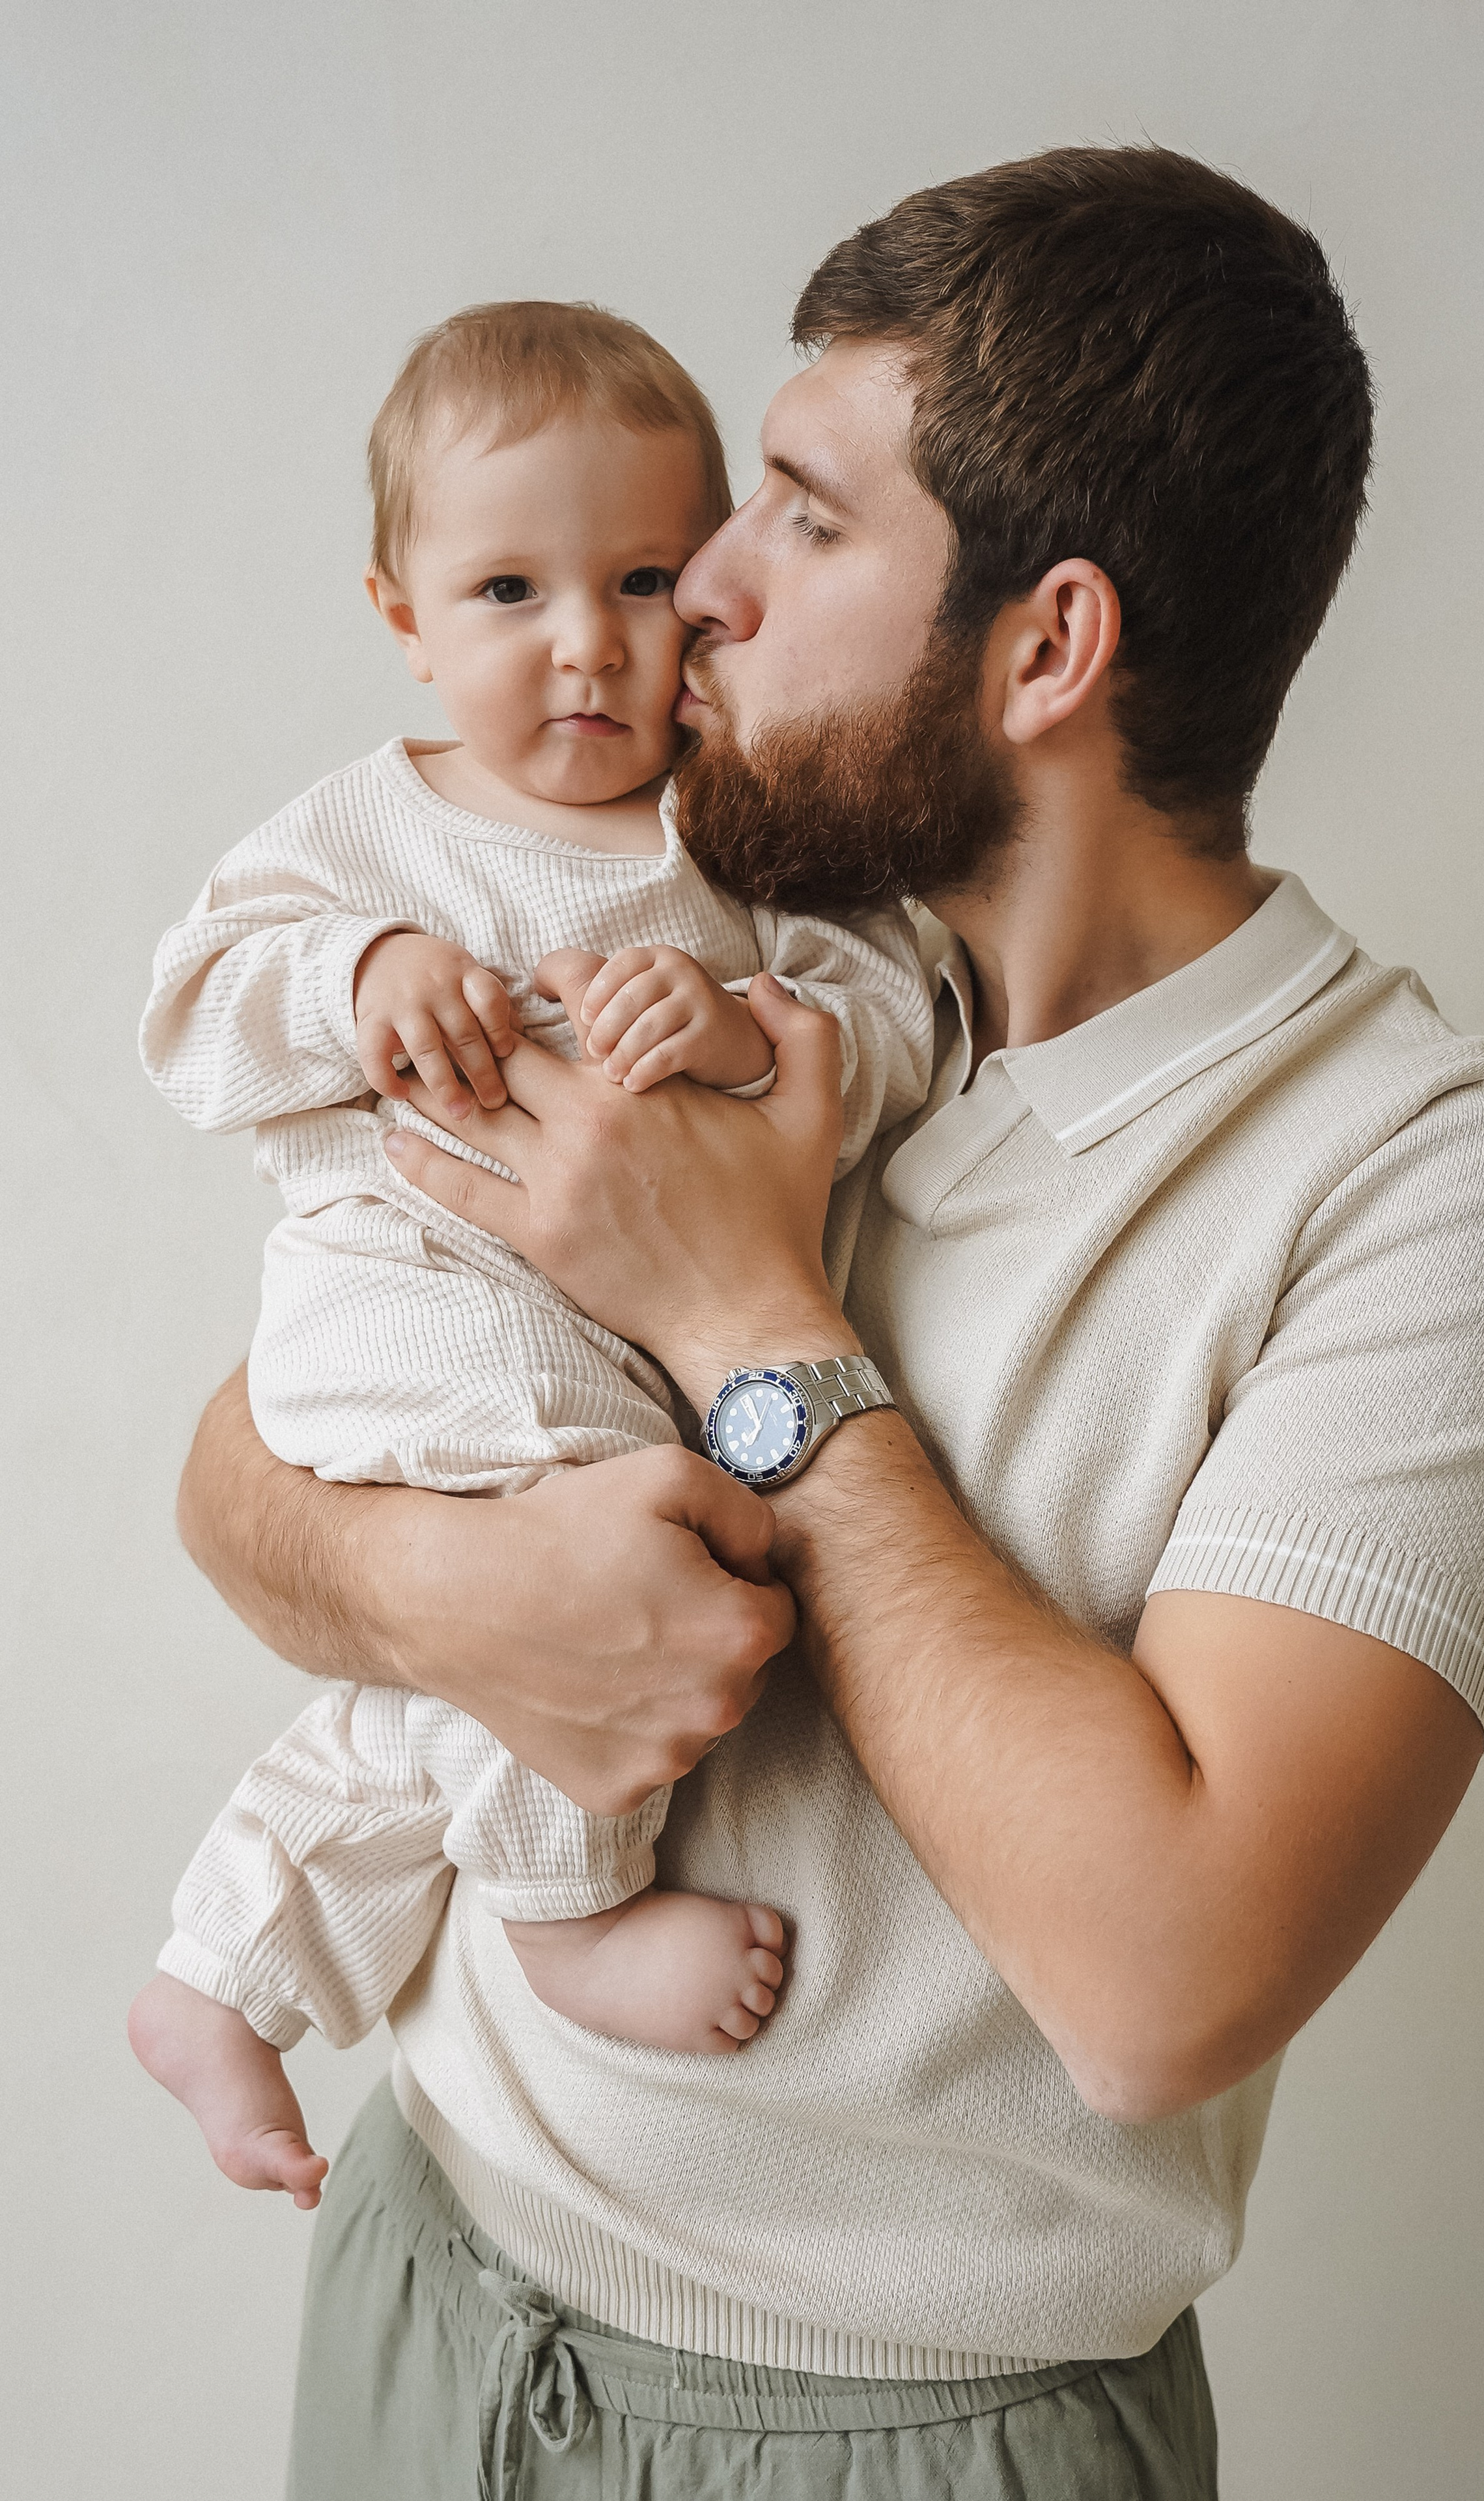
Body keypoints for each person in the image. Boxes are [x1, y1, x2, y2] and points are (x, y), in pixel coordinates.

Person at [168, 148, 1484, 2500]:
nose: (694, 592)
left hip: (900, 2441)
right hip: (431, 2288)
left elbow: (1163, 1987)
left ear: (1045, 649)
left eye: (805, 526)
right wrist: (463, 1588)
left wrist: (746, 1319)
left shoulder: (1428, 1183)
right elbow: (248, 1477)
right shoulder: (744, 972)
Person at [126, 299, 936, 2201]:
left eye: (646, 577)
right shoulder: (363, 832)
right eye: (508, 589)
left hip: (571, 1339)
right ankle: (564, 1908)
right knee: (607, 1548)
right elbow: (190, 1016)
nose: (587, 644)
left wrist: (747, 1030)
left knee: (449, 1678)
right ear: (403, 614)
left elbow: (895, 1021)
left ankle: (219, 1965)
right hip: (396, 1303)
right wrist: (356, 971)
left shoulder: (724, 845)